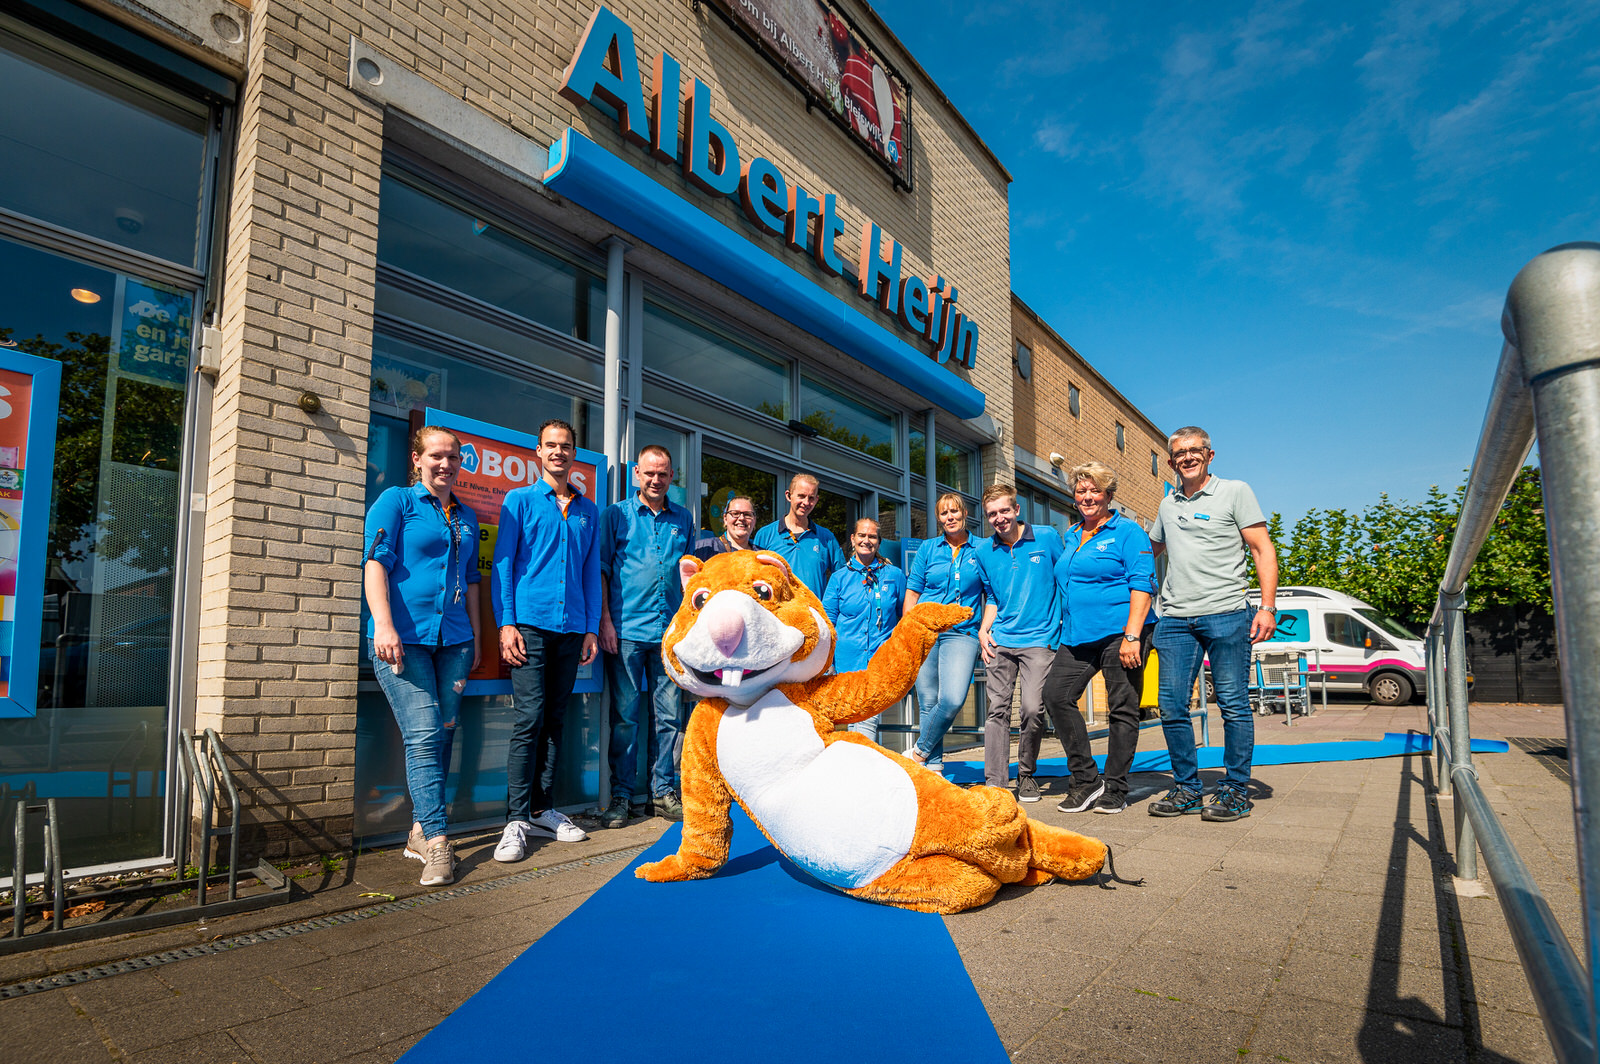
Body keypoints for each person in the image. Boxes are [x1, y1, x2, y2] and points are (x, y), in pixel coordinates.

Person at [363, 427, 482, 887]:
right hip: (403, 640)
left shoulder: (466, 515)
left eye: (453, 457)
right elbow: (375, 563)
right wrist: (384, 624)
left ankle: (417, 828)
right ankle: (437, 842)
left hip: (454, 642)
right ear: (417, 459)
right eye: (436, 456)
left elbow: (472, 579)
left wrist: (475, 636)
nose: (445, 464)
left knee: (443, 733)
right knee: (425, 733)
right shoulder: (397, 502)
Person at [1147, 426, 1278, 823]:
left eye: (1194, 451)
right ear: (1170, 462)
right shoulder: (1167, 504)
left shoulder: (1235, 491)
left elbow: (1261, 548)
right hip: (1173, 619)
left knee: (1234, 706)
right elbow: (1147, 549)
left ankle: (1236, 790)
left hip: (1226, 613)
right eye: (1179, 453)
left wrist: (1268, 607)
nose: (1186, 457)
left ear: (1209, 454)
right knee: (1170, 707)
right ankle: (1187, 789)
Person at [490, 418, 599, 860]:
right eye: (551, 446)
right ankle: (515, 819)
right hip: (530, 626)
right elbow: (503, 565)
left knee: (555, 720)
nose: (559, 452)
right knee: (528, 719)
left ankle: (542, 809)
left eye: (566, 446)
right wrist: (506, 623)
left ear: (574, 454)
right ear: (538, 452)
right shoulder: (518, 501)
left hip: (572, 628)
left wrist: (591, 626)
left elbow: (592, 572)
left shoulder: (588, 510)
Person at [1042, 462, 1157, 816]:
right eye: (1081, 491)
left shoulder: (1128, 532)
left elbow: (1142, 584)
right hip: (1077, 636)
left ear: (1108, 494)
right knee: (1056, 696)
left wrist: (1132, 636)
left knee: (1121, 708)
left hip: (1121, 633)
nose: (1087, 496)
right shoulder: (1072, 535)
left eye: (1094, 490)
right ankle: (1087, 780)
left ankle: (1117, 787)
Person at [597, 445, 695, 828]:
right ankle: (621, 796)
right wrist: (604, 621)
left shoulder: (683, 518)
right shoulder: (615, 516)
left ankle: (661, 794)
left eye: (664, 474)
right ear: (636, 473)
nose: (656, 480)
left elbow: (690, 579)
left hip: (668, 634)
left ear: (672, 477)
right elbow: (602, 572)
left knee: (668, 718)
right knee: (624, 719)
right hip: (625, 632)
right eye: (650, 473)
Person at [973, 484, 1064, 802]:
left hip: (1040, 640)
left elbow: (1064, 581)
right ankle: (995, 782)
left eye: (1003, 511)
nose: (998, 519)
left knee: (1031, 709)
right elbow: (993, 597)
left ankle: (1026, 775)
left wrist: (1063, 629)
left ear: (1016, 509)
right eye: (992, 514)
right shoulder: (983, 551)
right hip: (1001, 640)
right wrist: (984, 630)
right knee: (996, 711)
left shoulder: (1047, 538)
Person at [903, 492, 984, 773]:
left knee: (951, 699)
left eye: (955, 512)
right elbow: (913, 591)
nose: (950, 517)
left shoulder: (981, 549)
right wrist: (908, 631)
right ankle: (933, 768)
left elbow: (992, 592)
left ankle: (919, 752)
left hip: (962, 632)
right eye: (944, 513)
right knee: (927, 701)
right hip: (925, 631)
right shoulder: (928, 549)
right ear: (938, 518)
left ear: (964, 514)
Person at [822, 518, 905, 743]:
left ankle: (862, 766)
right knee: (853, 718)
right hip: (846, 662)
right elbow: (828, 621)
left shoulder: (894, 575)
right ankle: (860, 766)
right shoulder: (839, 578)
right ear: (852, 539)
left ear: (879, 542)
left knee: (868, 718)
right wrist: (827, 661)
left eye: (872, 537)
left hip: (879, 660)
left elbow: (904, 615)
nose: (866, 541)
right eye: (861, 535)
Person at [753, 473, 845, 597]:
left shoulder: (826, 538)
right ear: (788, 496)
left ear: (816, 500)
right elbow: (754, 578)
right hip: (777, 613)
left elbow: (842, 580)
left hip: (813, 614)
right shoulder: (765, 535)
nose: (806, 502)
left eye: (811, 498)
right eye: (801, 496)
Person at [693, 494, 757, 560]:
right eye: (735, 513)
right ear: (725, 519)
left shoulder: (762, 556)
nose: (741, 518)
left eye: (747, 514)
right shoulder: (703, 549)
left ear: (754, 520)